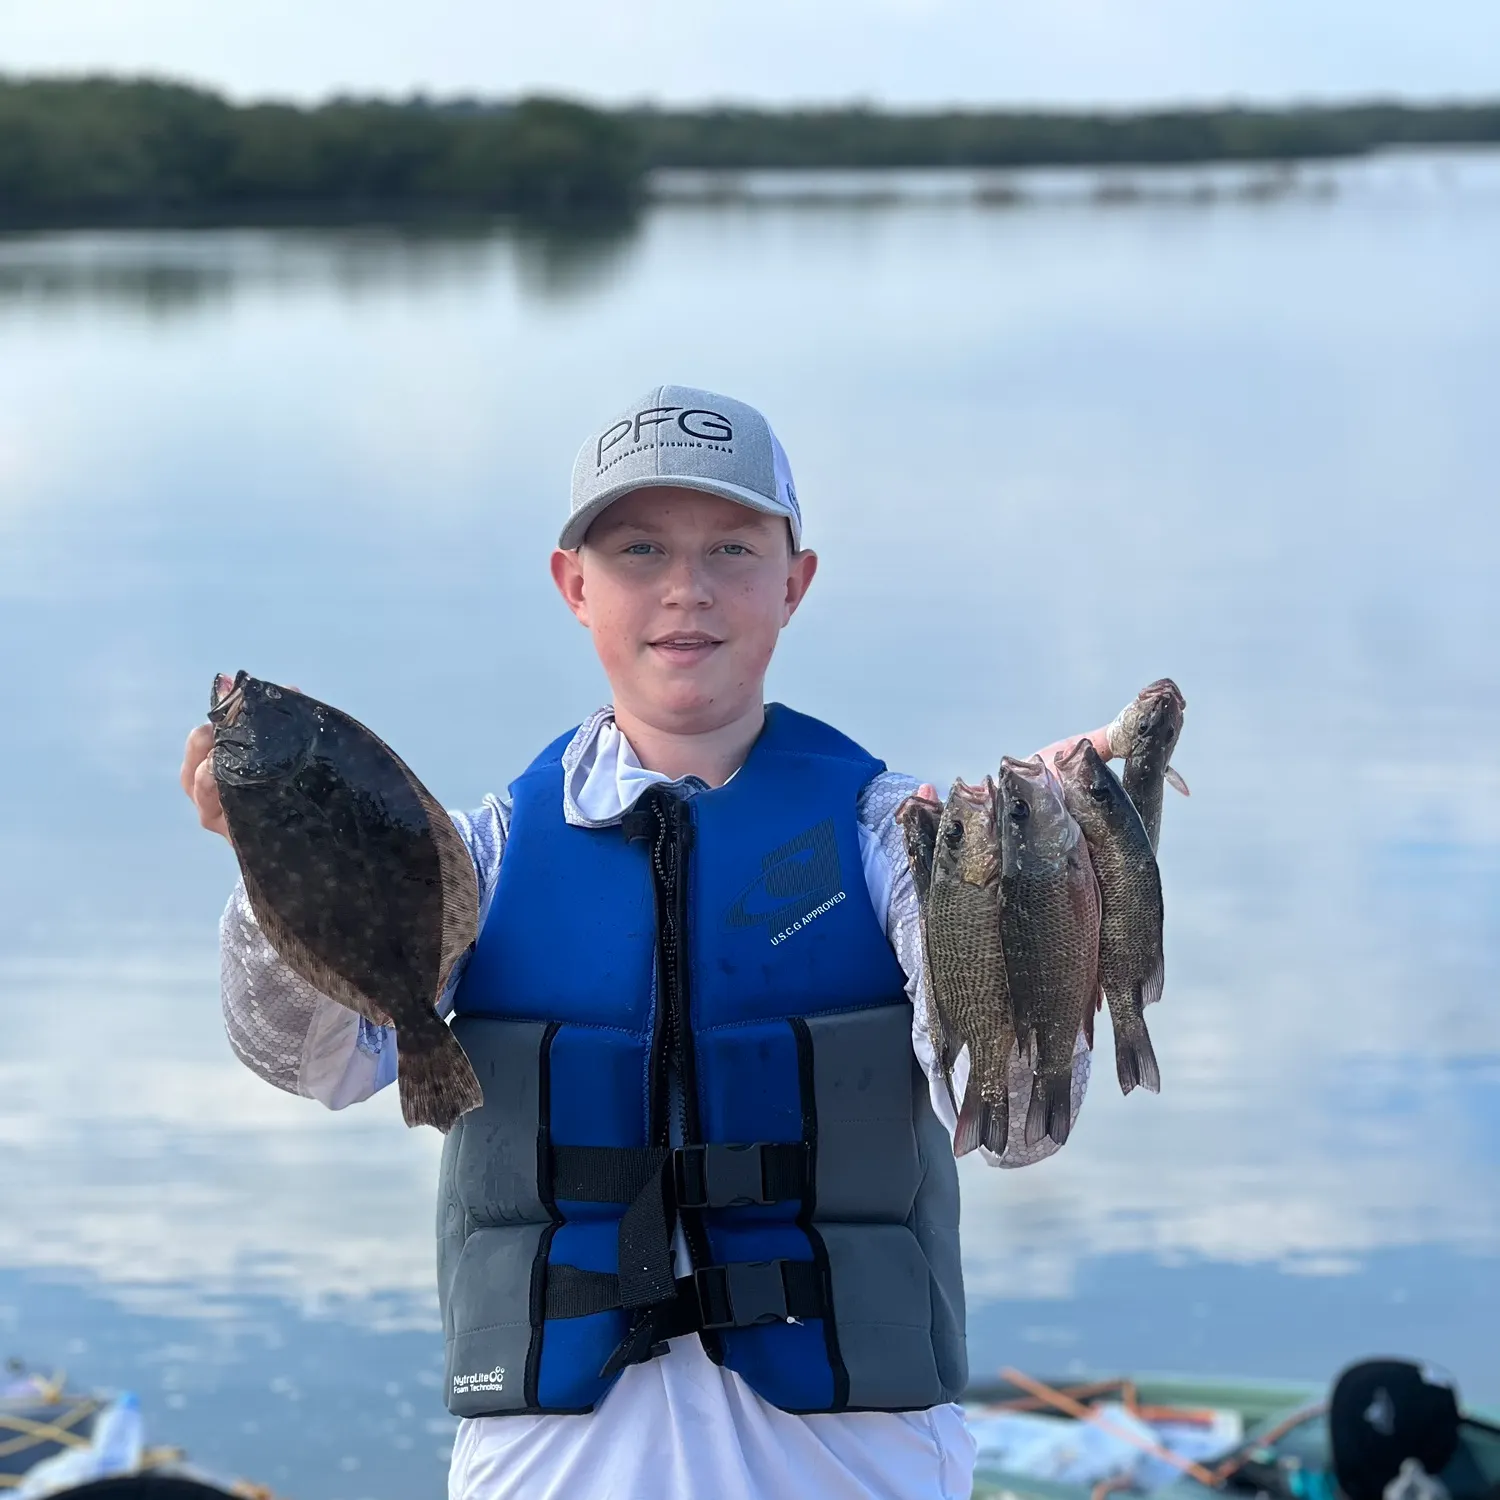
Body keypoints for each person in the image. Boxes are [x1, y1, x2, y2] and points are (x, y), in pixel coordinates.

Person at [179, 385, 1116, 1500]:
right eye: (637, 550)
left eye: (731, 547)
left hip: (851, 1465)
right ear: (574, 585)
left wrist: (1037, 892)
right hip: (555, 1465)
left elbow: (1014, 1125)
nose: (686, 589)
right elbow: (314, 1062)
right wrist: (273, 868)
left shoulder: (898, 838)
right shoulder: (478, 851)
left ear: (794, 582)